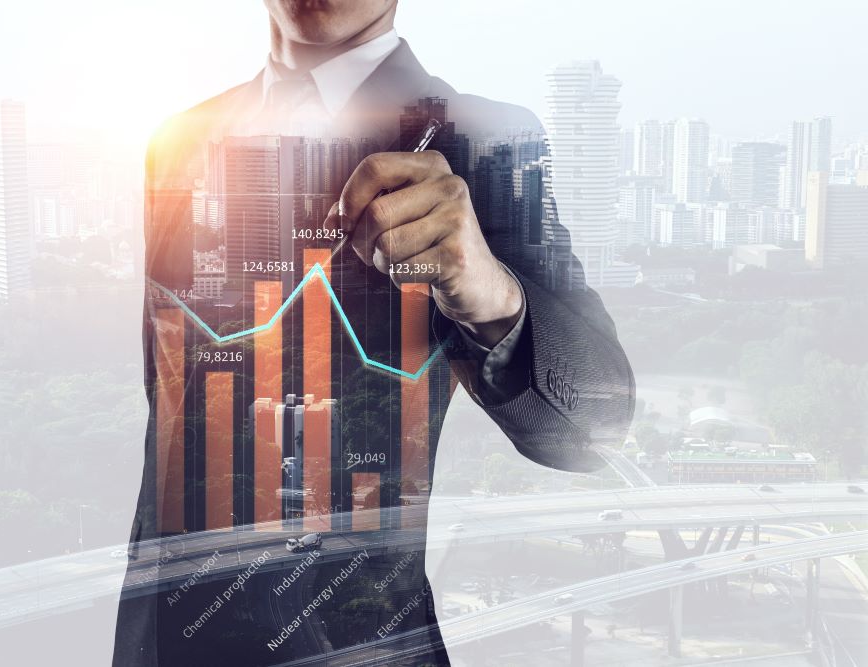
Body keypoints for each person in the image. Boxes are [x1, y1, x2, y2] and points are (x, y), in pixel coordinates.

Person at [115, 1, 634, 665]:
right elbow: (167, 406)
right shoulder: (178, 142)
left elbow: (599, 424)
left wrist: (491, 295)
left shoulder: (484, 141)